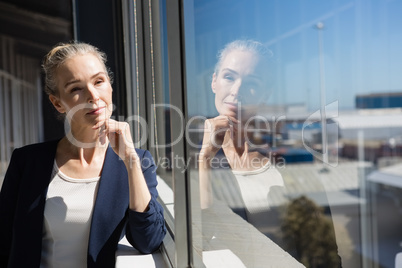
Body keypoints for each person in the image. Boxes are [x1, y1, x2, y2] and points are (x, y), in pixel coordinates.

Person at [0, 42, 166, 267]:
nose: (92, 95)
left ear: (110, 86)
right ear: (57, 103)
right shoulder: (27, 162)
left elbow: (149, 240)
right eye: (76, 89)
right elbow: (4, 241)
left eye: (99, 81)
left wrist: (131, 162)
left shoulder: (137, 162)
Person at [198, 39, 341, 267]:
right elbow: (199, 238)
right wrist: (205, 159)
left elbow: (326, 254)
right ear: (214, 81)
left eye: (251, 83)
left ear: (265, 94)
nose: (237, 91)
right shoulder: (189, 159)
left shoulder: (293, 163)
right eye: (229, 77)